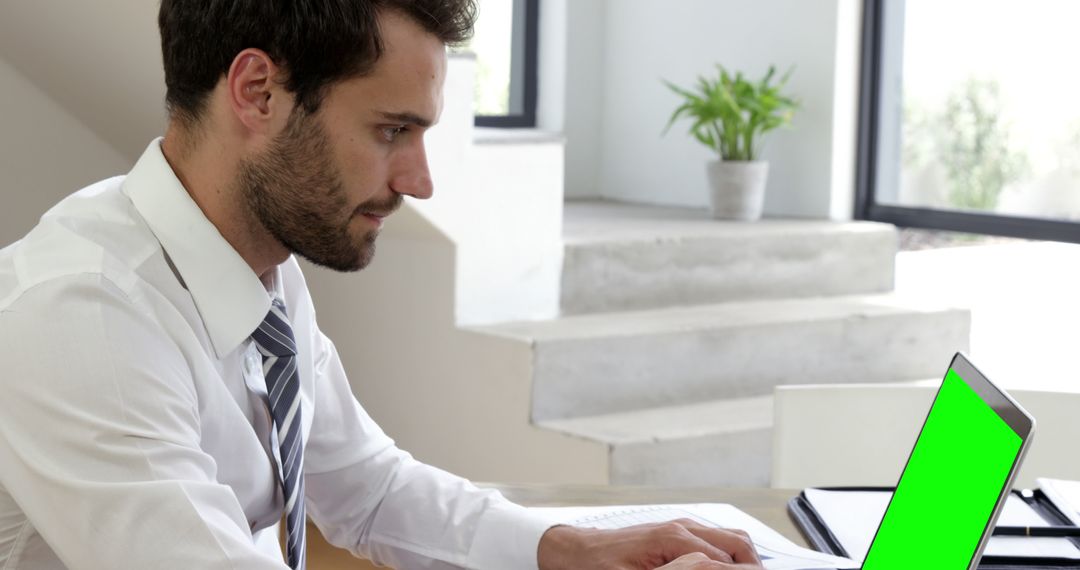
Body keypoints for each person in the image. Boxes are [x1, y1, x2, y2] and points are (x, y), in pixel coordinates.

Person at [0, 1, 765, 569]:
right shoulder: (83, 315)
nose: (420, 181)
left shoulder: (254, 265)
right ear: (258, 91)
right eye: (392, 130)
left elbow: (364, 485)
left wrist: (567, 550)